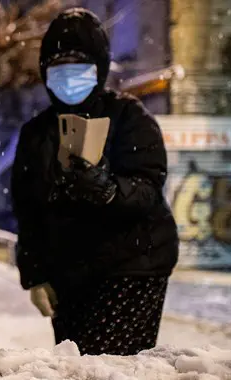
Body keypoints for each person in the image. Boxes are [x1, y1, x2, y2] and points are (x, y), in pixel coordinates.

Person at [11, 8, 179, 356]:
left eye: (80, 65)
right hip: (70, 272)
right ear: (45, 71)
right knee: (78, 365)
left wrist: (106, 188)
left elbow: (147, 189)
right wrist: (35, 275)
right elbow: (27, 210)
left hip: (132, 265)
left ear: (99, 68)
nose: (69, 76)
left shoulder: (130, 117)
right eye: (58, 65)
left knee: (105, 365)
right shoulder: (36, 134)